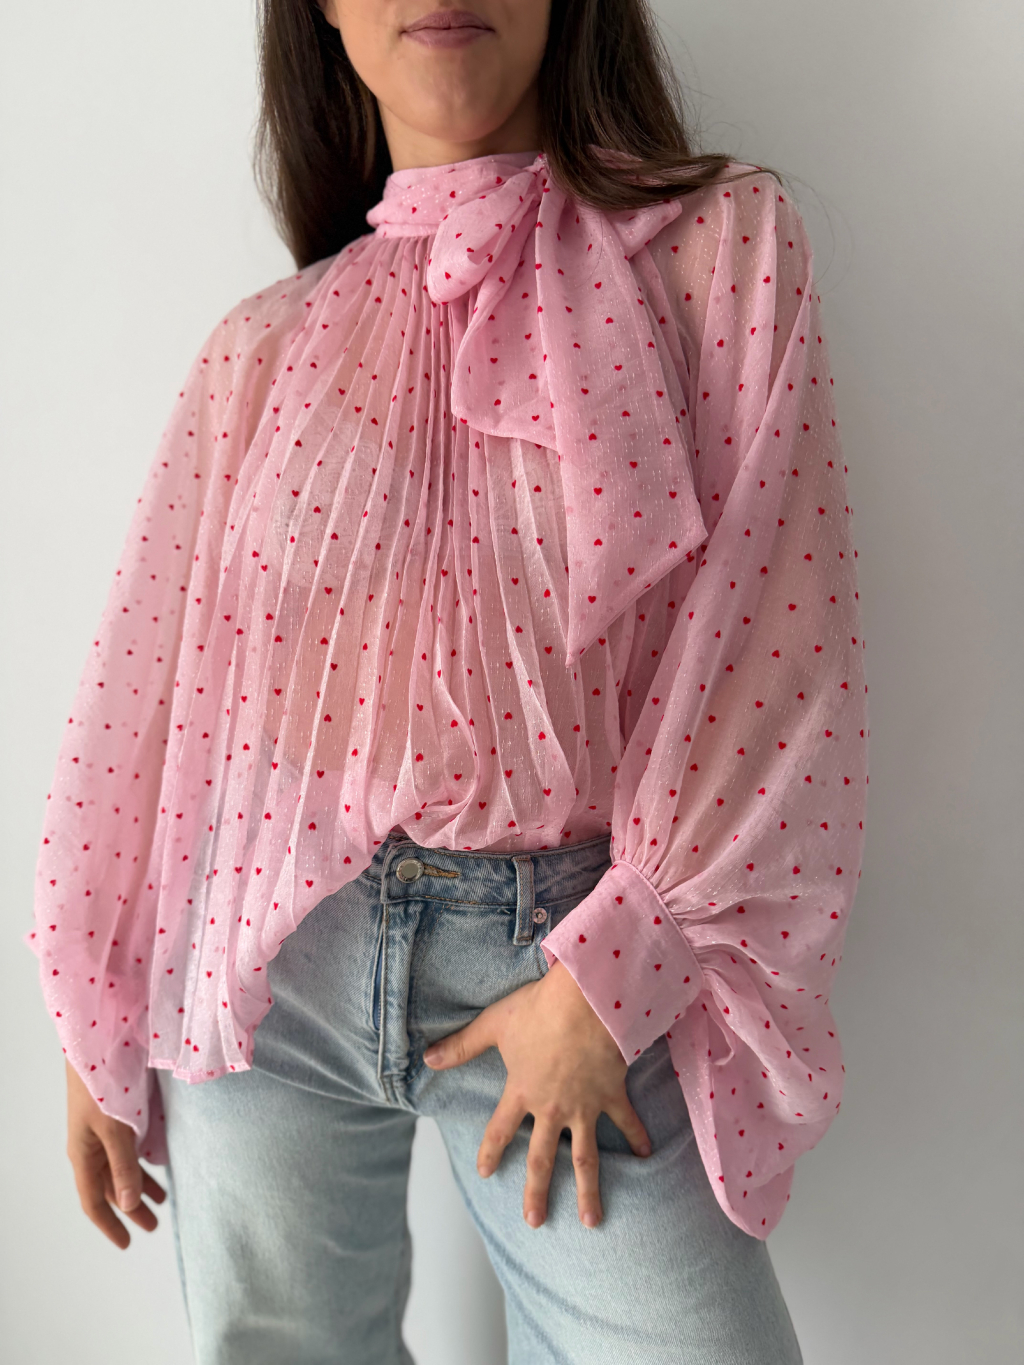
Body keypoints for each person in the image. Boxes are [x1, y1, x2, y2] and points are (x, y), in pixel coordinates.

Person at [29, 1, 868, 1361]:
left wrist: (611, 977)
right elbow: (159, 684)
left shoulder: (716, 249)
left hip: (569, 957)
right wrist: (100, 999)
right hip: (266, 977)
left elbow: (779, 637)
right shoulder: (265, 344)